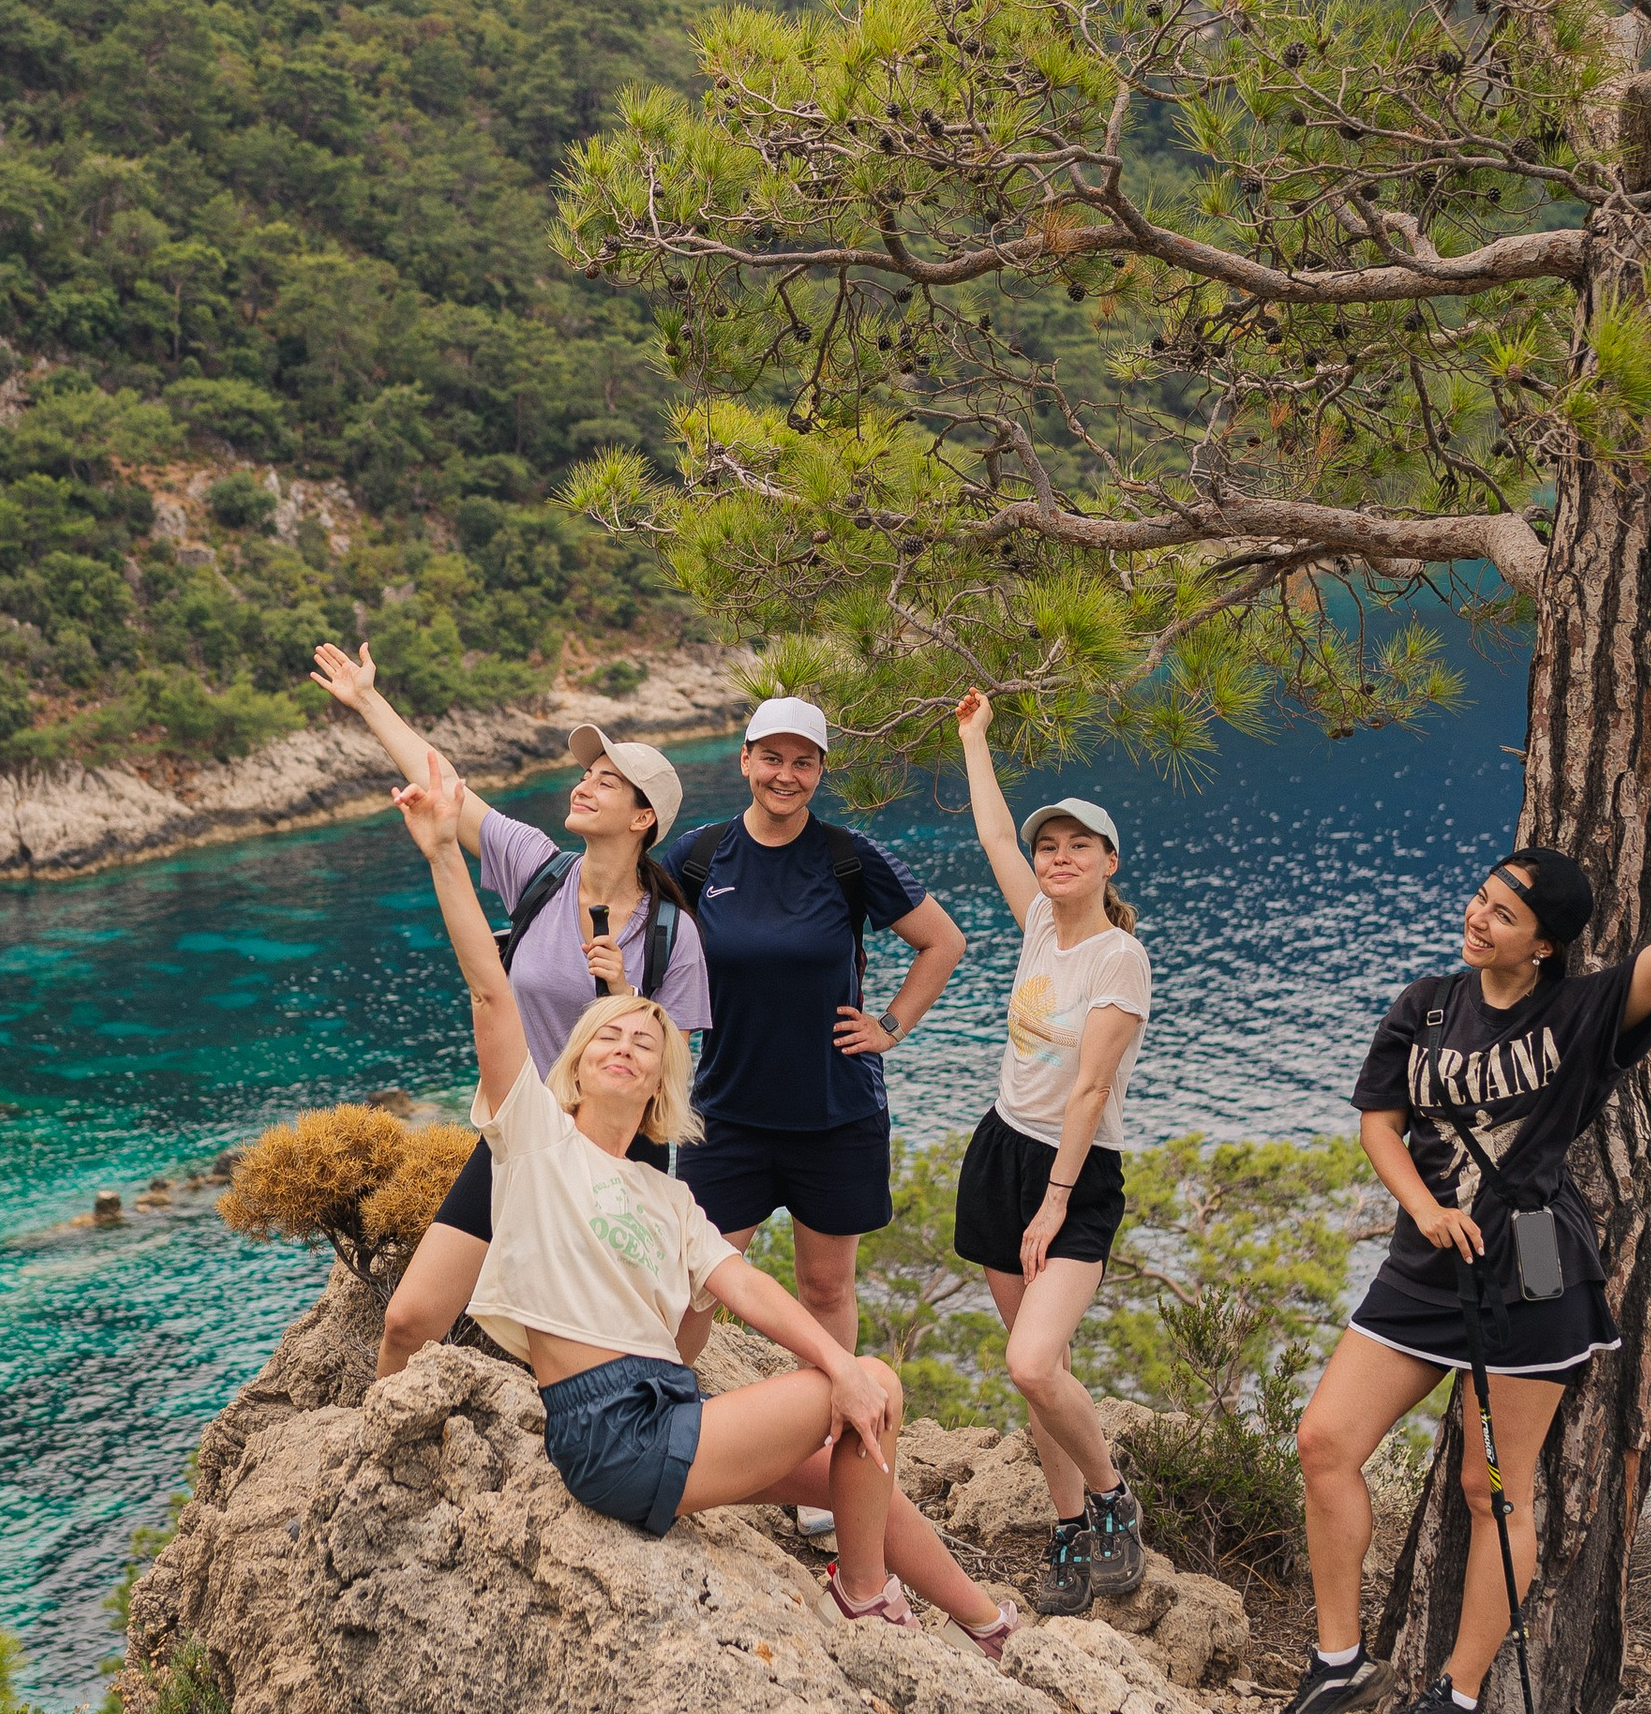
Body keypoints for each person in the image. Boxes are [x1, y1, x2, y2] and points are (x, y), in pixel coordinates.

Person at [387, 744, 1019, 1652]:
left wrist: (828, 1375)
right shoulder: (531, 1137)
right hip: (611, 1431)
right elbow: (492, 990)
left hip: (669, 1410)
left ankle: (987, 1625)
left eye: (645, 1043)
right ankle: (863, 1601)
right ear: (571, 1061)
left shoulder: (665, 1196)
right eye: (607, 1037)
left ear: (659, 1086)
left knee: (851, 1464)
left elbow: (749, 1291)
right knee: (871, 1383)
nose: (625, 1046)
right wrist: (444, 852)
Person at [1266, 803, 1651, 1714]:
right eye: (1480, 898)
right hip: (1423, 1268)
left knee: (1491, 1488)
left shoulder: (1580, 1015)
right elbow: (1379, 1119)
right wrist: (1418, 1204)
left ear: (1544, 945)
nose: (1479, 916)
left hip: (1529, 1285)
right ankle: (1339, 1658)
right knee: (1325, 1441)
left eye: (1504, 913)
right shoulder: (1428, 1004)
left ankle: (1455, 1695)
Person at [309, 643, 713, 1371]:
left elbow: (672, 1073)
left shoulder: (670, 934)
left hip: (619, 1153)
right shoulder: (538, 869)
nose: (584, 787)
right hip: (526, 1132)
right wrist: (368, 700)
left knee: (604, 1350)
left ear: (643, 817)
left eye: (607, 782)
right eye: (585, 775)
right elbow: (443, 785)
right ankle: (376, 1459)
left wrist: (626, 996)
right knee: (408, 1319)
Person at [668, 700, 966, 1516]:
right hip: (724, 1112)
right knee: (692, 1279)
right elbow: (641, 940)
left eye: (803, 763)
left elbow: (942, 942)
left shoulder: (847, 857)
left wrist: (892, 1026)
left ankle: (832, 1462)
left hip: (836, 1114)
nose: (785, 776)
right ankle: (660, 1424)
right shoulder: (697, 857)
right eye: (772, 758)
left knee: (824, 1286)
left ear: (820, 772)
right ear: (745, 759)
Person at [952, 693, 1152, 1616]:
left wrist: (1055, 1202)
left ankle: (1113, 1501)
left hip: (1072, 1174)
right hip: (1001, 1150)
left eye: (1078, 846)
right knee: (1037, 1373)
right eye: (1050, 847)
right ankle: (1068, 1531)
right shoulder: (1039, 924)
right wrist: (974, 741)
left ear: (1109, 863)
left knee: (1034, 1362)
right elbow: (994, 834)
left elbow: (1091, 1091)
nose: (1057, 857)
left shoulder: (1118, 957)